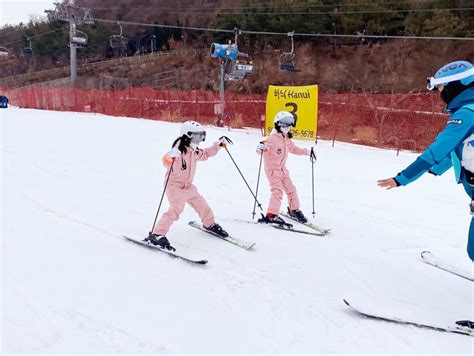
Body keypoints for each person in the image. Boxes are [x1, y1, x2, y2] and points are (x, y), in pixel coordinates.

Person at [378, 60, 474, 261]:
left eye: (441, 88)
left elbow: (435, 152)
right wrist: (436, 169)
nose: (440, 95)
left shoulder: (466, 115)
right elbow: (457, 150)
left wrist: (401, 178)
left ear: (456, 86)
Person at [146, 120, 229, 251]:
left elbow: (206, 154)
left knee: (202, 205)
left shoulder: (193, 151)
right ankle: (157, 234)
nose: (200, 139)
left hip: (188, 186)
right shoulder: (178, 150)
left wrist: (218, 145)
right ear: (187, 135)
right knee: (176, 209)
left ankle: (209, 224)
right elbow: (166, 161)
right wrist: (170, 156)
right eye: (197, 136)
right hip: (174, 186)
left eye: (202, 135)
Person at [256, 111, 313, 225]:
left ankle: (294, 210)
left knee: (291, 189)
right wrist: (260, 148)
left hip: (283, 170)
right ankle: (271, 215)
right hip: (272, 171)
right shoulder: (271, 139)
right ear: (278, 124)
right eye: (285, 124)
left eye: (289, 124)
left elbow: (293, 148)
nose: (288, 127)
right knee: (277, 192)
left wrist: (307, 152)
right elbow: (262, 148)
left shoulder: (285, 138)